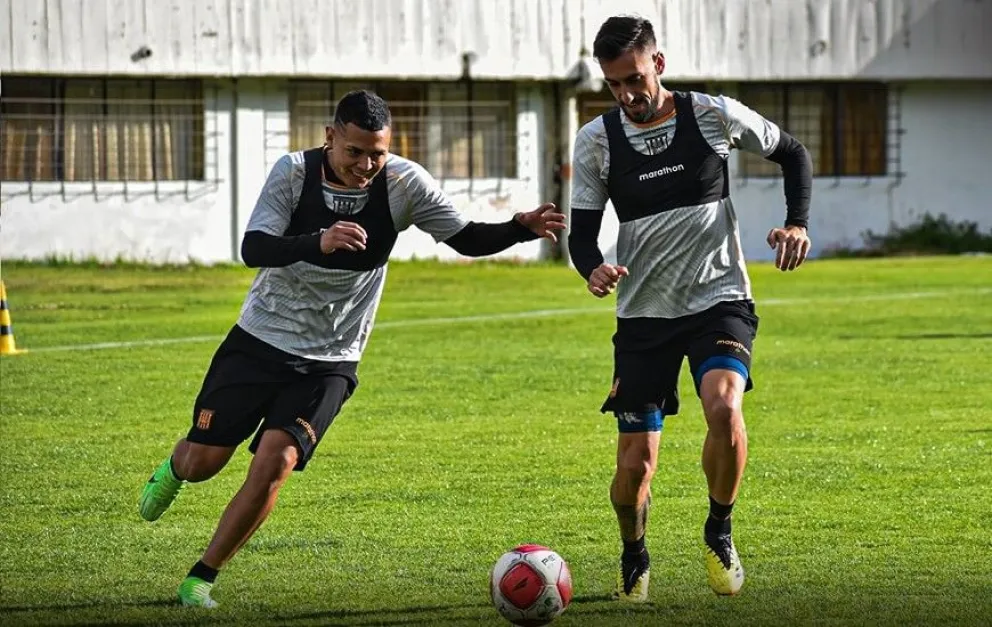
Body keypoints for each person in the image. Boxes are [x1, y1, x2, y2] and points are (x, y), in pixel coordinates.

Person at [138, 89, 565, 608]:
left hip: (331, 357)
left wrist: (518, 230)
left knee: (277, 461)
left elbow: (465, 237)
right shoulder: (293, 174)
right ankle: (176, 467)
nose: (366, 165)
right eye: (354, 152)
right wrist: (316, 241)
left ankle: (201, 578)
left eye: (377, 153)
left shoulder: (405, 183)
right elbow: (254, 248)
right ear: (330, 137)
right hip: (260, 341)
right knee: (205, 461)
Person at [567, 15, 812, 602]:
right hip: (645, 314)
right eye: (614, 85)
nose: (627, 95)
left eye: (634, 78)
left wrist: (796, 223)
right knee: (634, 466)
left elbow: (793, 153)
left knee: (725, 408)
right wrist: (591, 268)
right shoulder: (596, 140)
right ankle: (634, 553)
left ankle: (719, 531)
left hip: (718, 298)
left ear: (659, 64)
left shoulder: (713, 114)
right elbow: (581, 234)